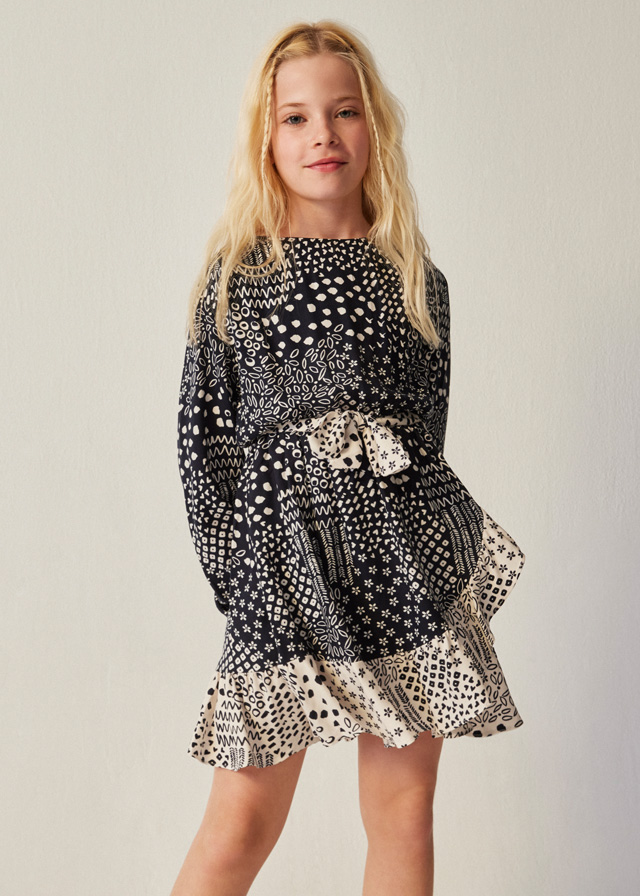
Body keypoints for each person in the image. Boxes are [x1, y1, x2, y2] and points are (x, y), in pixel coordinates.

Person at [171, 19, 526, 896]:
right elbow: (203, 446)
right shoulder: (236, 278)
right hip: (282, 569)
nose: (322, 135)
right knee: (241, 822)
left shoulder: (418, 281)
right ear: (266, 139)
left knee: (405, 814)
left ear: (375, 126)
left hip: (402, 567)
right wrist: (241, 584)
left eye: (344, 111)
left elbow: (425, 438)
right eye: (294, 118)